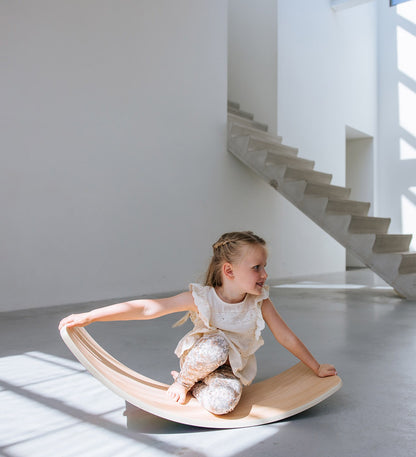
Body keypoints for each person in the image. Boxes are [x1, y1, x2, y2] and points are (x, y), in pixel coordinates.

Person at [59, 231, 337, 415]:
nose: (265, 274)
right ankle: (183, 381)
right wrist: (91, 316)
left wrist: (315, 366)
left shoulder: (259, 301)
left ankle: (198, 387)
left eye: (264, 266)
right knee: (218, 345)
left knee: (224, 405)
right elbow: (149, 308)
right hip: (202, 357)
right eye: (256, 267)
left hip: (229, 370)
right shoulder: (202, 298)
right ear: (229, 270)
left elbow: (285, 336)